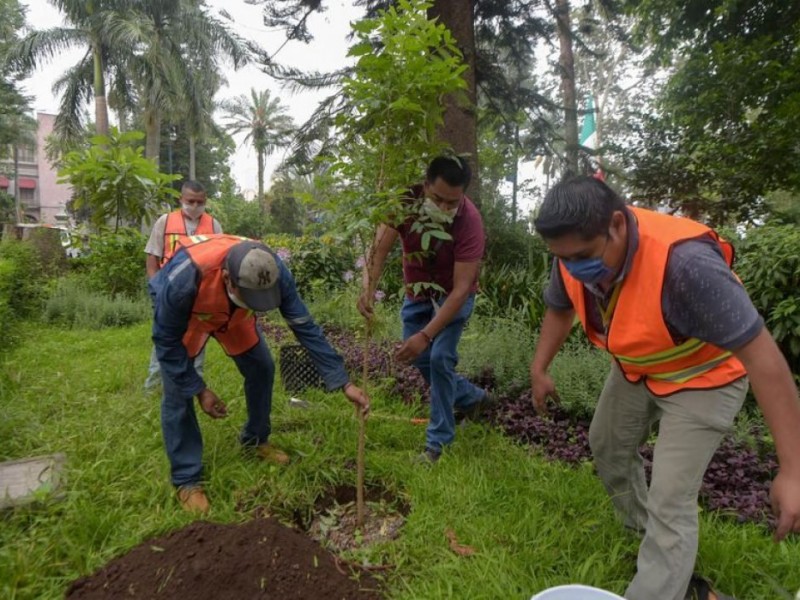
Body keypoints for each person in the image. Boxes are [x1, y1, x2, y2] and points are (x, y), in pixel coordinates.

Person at [529, 177, 800, 600]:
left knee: (670, 500)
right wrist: (540, 367)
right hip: (641, 368)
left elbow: (766, 362)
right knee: (607, 446)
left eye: (582, 257)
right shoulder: (570, 253)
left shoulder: (687, 265)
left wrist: (794, 470)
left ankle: (661, 582)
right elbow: (560, 307)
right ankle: (648, 538)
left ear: (617, 225)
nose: (574, 267)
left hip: (705, 377)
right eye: (563, 259)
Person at [149, 233, 370, 513]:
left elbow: (305, 327)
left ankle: (255, 439)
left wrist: (343, 382)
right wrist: (199, 389)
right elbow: (166, 342)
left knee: (262, 368)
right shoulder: (184, 278)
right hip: (192, 314)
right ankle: (187, 478)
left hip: (235, 317)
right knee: (178, 389)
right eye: (253, 298)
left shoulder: (273, 271)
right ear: (228, 279)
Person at [357, 156, 490, 464]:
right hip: (416, 292)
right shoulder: (404, 201)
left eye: (451, 202)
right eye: (437, 198)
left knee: (441, 358)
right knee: (420, 359)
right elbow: (378, 250)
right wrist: (367, 288)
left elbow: (460, 291)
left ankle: (437, 445)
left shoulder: (469, 221)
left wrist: (427, 335)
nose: (444, 208)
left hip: (452, 296)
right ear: (425, 184)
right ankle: (474, 400)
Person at [143, 181, 222, 391]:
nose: (195, 206)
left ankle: (193, 388)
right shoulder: (165, 222)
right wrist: (156, 289)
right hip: (168, 292)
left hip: (200, 294)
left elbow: (219, 262)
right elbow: (152, 258)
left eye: (200, 202)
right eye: (190, 201)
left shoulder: (214, 226)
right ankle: (154, 387)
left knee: (197, 340)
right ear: (181, 199)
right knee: (165, 338)